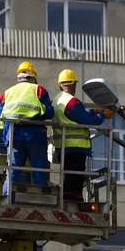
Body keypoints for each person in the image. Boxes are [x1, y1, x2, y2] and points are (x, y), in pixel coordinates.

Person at [52, 69, 113, 202]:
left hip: (62, 146)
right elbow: (87, 121)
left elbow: (76, 115)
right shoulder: (72, 102)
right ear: (74, 85)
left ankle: (70, 197)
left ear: (60, 85)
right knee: (75, 175)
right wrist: (103, 115)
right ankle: (74, 199)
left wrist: (93, 111)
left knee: (68, 174)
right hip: (75, 147)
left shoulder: (57, 101)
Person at [0, 61, 55, 195]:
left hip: (13, 136)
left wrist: (5, 137)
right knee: (40, 171)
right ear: (33, 77)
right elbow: (49, 113)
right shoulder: (39, 90)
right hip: (35, 135)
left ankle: (6, 201)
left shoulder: (6, 93)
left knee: (12, 173)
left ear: (18, 78)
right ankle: (42, 200)